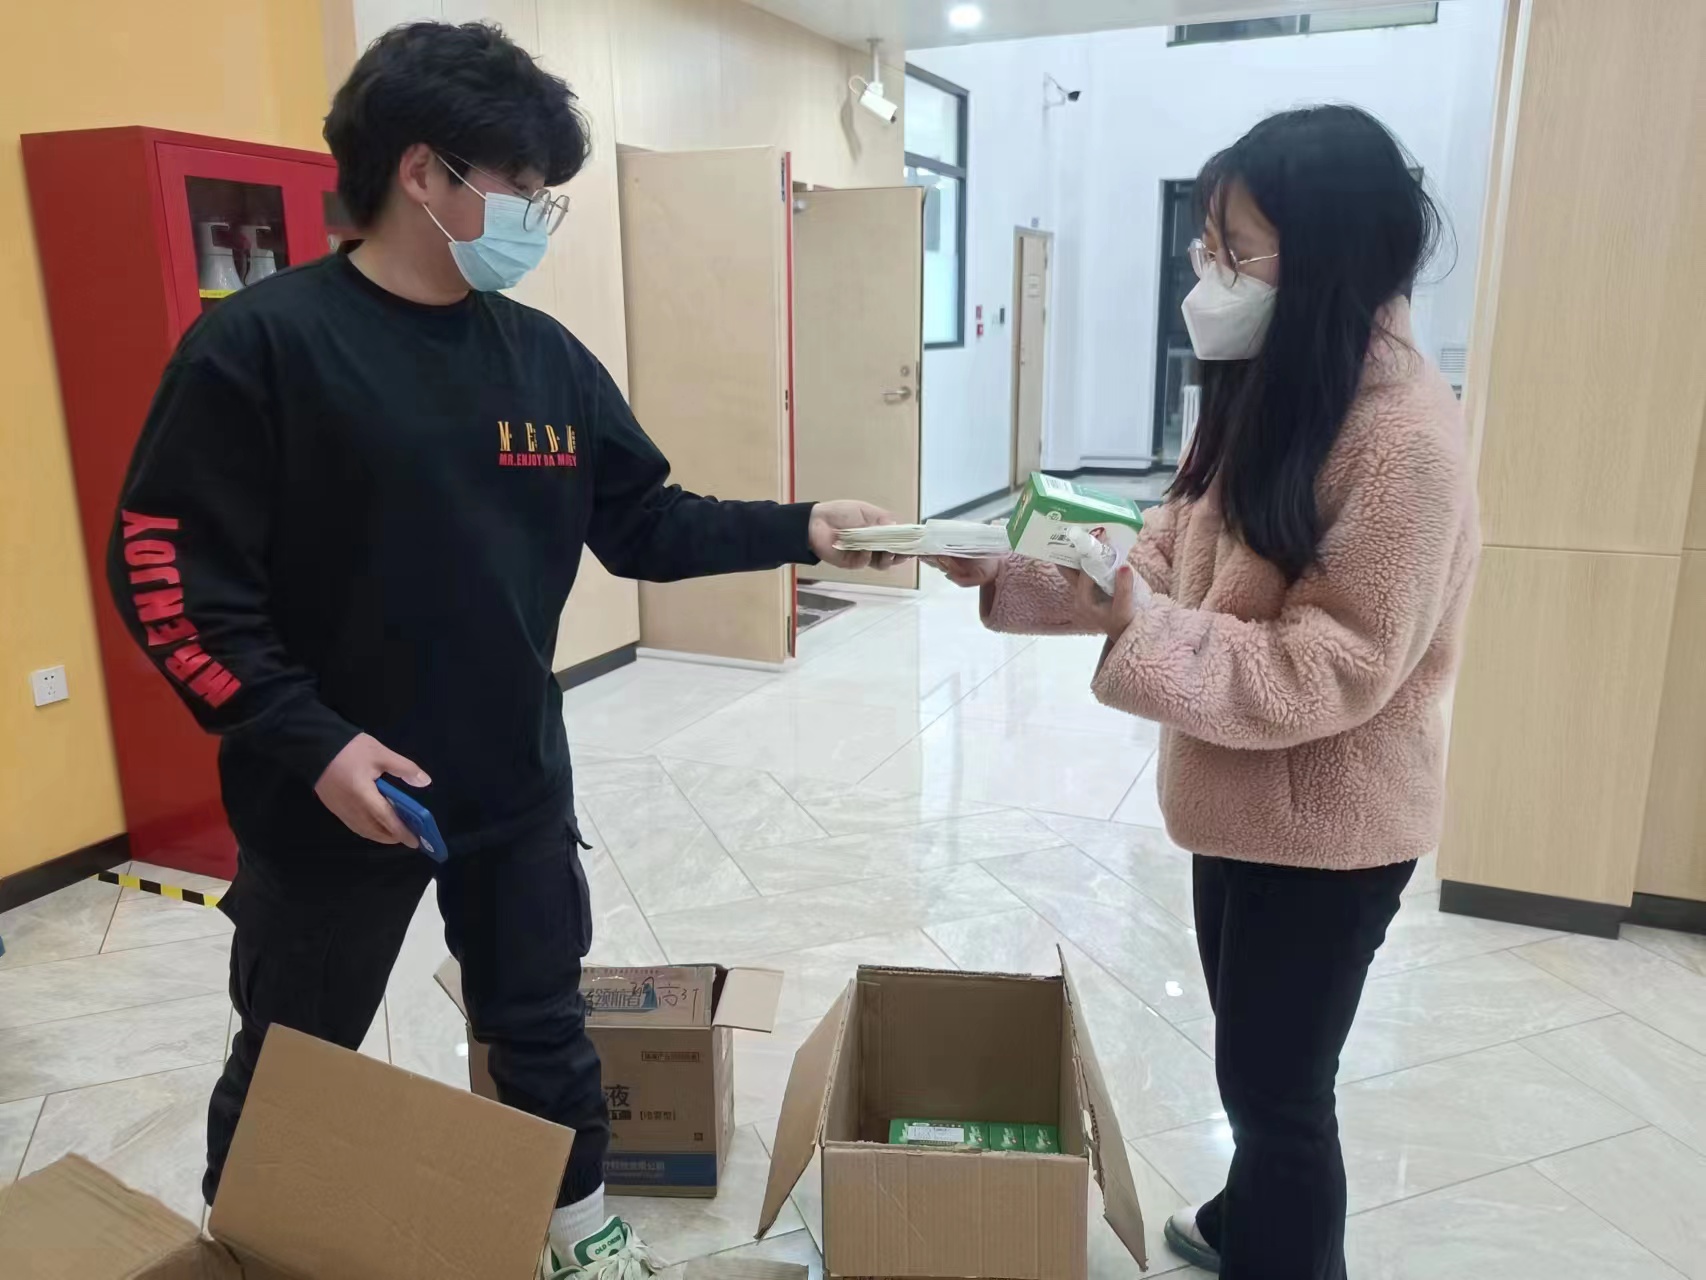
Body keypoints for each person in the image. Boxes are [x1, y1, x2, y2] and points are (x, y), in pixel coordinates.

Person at [108, 21, 894, 1278]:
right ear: (423, 172)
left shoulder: (541, 360)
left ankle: (580, 1233)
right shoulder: (261, 348)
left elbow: (643, 521)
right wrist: (315, 743)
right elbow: (167, 581)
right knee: (297, 1043)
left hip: (510, 779)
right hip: (331, 793)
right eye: (524, 185)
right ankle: (248, 1240)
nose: (537, 213)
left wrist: (801, 526)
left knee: (540, 1027)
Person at [934, 105, 1478, 1279]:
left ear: (1324, 255)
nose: (1208, 270)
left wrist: (1139, 626)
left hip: (1329, 825)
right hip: (1238, 799)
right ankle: (1247, 1215)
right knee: (1253, 1053)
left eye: (1235, 248)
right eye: (1208, 242)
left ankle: (1283, 1250)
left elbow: (1332, 664)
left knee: (1279, 1091)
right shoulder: (1276, 383)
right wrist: (1013, 566)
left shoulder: (1403, 440)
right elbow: (1168, 545)